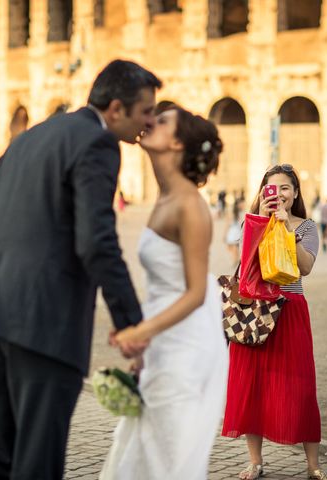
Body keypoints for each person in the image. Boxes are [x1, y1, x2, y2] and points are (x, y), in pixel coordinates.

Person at [0, 60, 162, 479]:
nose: (150, 121)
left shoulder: (30, 137)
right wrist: (130, 324)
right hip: (47, 327)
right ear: (117, 108)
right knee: (37, 460)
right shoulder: (98, 144)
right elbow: (97, 242)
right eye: (146, 111)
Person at [100, 106, 228, 479]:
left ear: (176, 142)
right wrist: (145, 345)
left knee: (168, 457)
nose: (151, 121)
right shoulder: (164, 198)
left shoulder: (190, 206)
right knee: (145, 453)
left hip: (188, 347)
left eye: (164, 120)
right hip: (162, 344)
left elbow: (195, 293)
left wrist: (142, 332)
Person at [222, 164, 327, 480]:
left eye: (285, 187)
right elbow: (246, 266)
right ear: (262, 193)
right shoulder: (252, 224)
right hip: (256, 310)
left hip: (290, 310)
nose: (280, 194)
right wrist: (261, 219)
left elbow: (306, 267)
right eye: (272, 188)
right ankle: (255, 461)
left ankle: (313, 466)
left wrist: (285, 228)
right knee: (252, 385)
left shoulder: (306, 227)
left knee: (300, 387)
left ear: (296, 192)